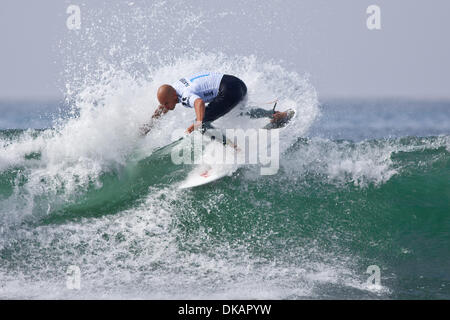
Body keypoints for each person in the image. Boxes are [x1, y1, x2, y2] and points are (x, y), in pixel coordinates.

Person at [141, 71, 290, 135]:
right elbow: (164, 104)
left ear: (173, 96)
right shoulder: (174, 89)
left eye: (166, 104)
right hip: (236, 83)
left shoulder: (185, 94)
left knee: (202, 124)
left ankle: (231, 149)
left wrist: (199, 123)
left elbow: (199, 103)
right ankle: (276, 114)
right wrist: (149, 126)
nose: (165, 108)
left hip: (229, 90)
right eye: (164, 105)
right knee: (237, 114)